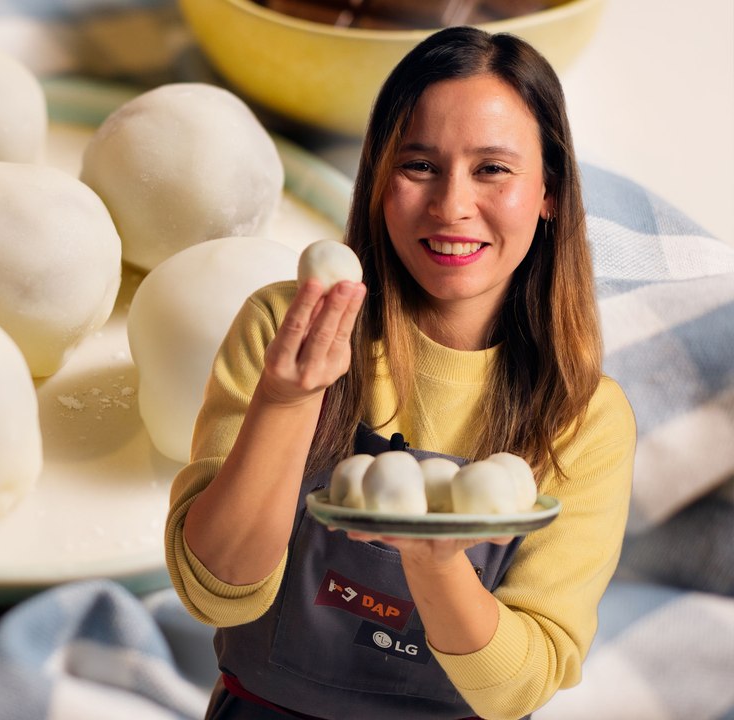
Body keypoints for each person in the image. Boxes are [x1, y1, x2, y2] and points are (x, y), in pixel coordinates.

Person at [165, 26, 635, 720]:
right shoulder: (287, 328)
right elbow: (213, 592)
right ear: (379, 179)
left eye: (492, 169)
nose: (451, 206)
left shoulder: (584, 416)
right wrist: (287, 399)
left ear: (551, 192)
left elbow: (517, 688)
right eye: (419, 164)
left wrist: (434, 558)